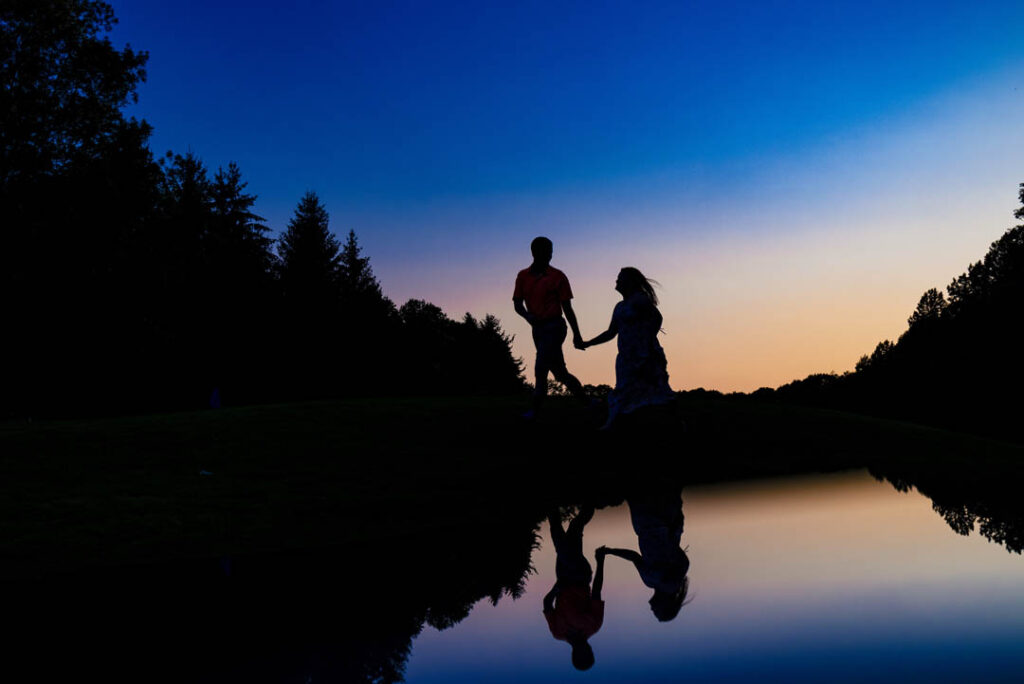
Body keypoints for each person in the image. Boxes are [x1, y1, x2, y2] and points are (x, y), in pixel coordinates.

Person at [578, 267, 674, 429]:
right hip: (626, 357)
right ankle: (622, 423)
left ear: (629, 282)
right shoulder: (620, 307)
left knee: (652, 390)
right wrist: (588, 343)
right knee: (626, 389)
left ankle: (616, 424)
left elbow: (657, 318)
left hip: (644, 355)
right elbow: (610, 333)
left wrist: (647, 341)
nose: (616, 281)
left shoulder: (640, 300)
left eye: (620, 278)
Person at [513, 236, 589, 418]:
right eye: (547, 251)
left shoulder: (558, 276)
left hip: (555, 327)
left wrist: (577, 335)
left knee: (541, 368)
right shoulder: (522, 276)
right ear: (535, 252)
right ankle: (588, 402)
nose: (550, 255)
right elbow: (517, 303)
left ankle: (535, 410)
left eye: (551, 251)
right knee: (560, 373)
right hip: (537, 329)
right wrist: (527, 316)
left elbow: (567, 309)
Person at [597, 488, 690, 622]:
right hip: (658, 523)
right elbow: (682, 561)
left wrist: (611, 551)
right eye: (656, 611)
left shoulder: (651, 581)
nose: (651, 608)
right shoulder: (668, 583)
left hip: (646, 525)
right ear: (665, 606)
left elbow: (634, 557)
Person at [543, 506, 605, 671]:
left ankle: (589, 504)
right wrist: (600, 561)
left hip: (562, 576)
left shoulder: (558, 632)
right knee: (560, 538)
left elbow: (547, 605)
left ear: (574, 655)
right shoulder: (593, 625)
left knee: (574, 529)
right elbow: (597, 592)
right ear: (590, 650)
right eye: (588, 652)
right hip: (580, 575)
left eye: (581, 654)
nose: (585, 650)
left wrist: (557, 587)